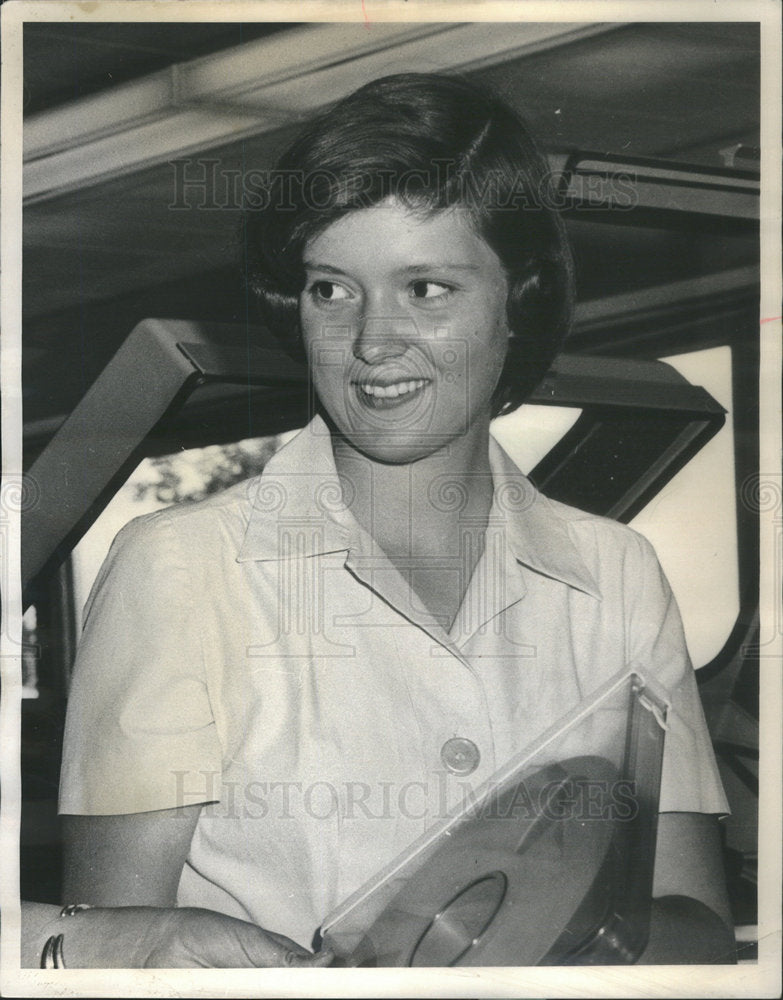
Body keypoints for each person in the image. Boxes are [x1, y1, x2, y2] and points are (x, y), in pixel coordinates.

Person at [55, 73, 736, 967]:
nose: (373, 342)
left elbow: (695, 925)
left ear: (518, 301)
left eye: (425, 288)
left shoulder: (617, 573)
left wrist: (517, 947)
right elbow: (115, 955)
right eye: (331, 291)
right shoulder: (180, 569)